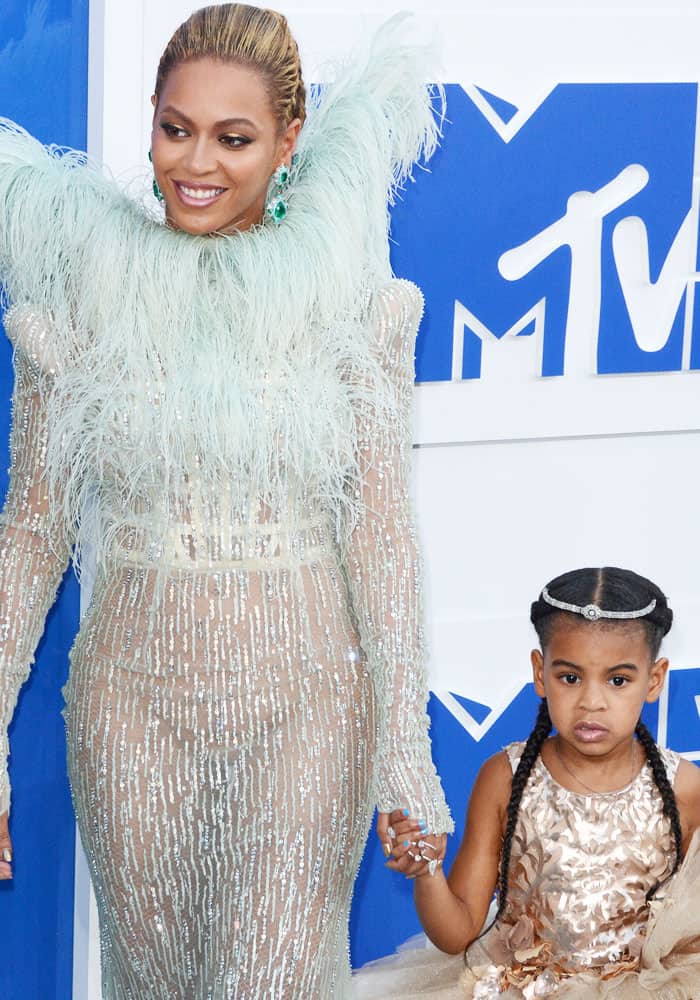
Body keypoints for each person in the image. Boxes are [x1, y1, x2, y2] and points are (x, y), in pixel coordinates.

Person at [0, 5, 452, 997]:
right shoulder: (85, 286)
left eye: (232, 137)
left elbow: (378, 525)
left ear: (289, 141)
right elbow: (32, 526)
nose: (193, 162)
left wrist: (404, 748)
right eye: (175, 128)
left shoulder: (342, 293)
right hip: (128, 709)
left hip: (302, 710)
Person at [355, 566, 700, 998]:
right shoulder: (504, 777)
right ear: (540, 672)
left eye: (618, 680)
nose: (592, 701)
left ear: (654, 680)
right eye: (570, 678)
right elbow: (457, 934)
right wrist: (428, 874)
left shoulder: (686, 788)